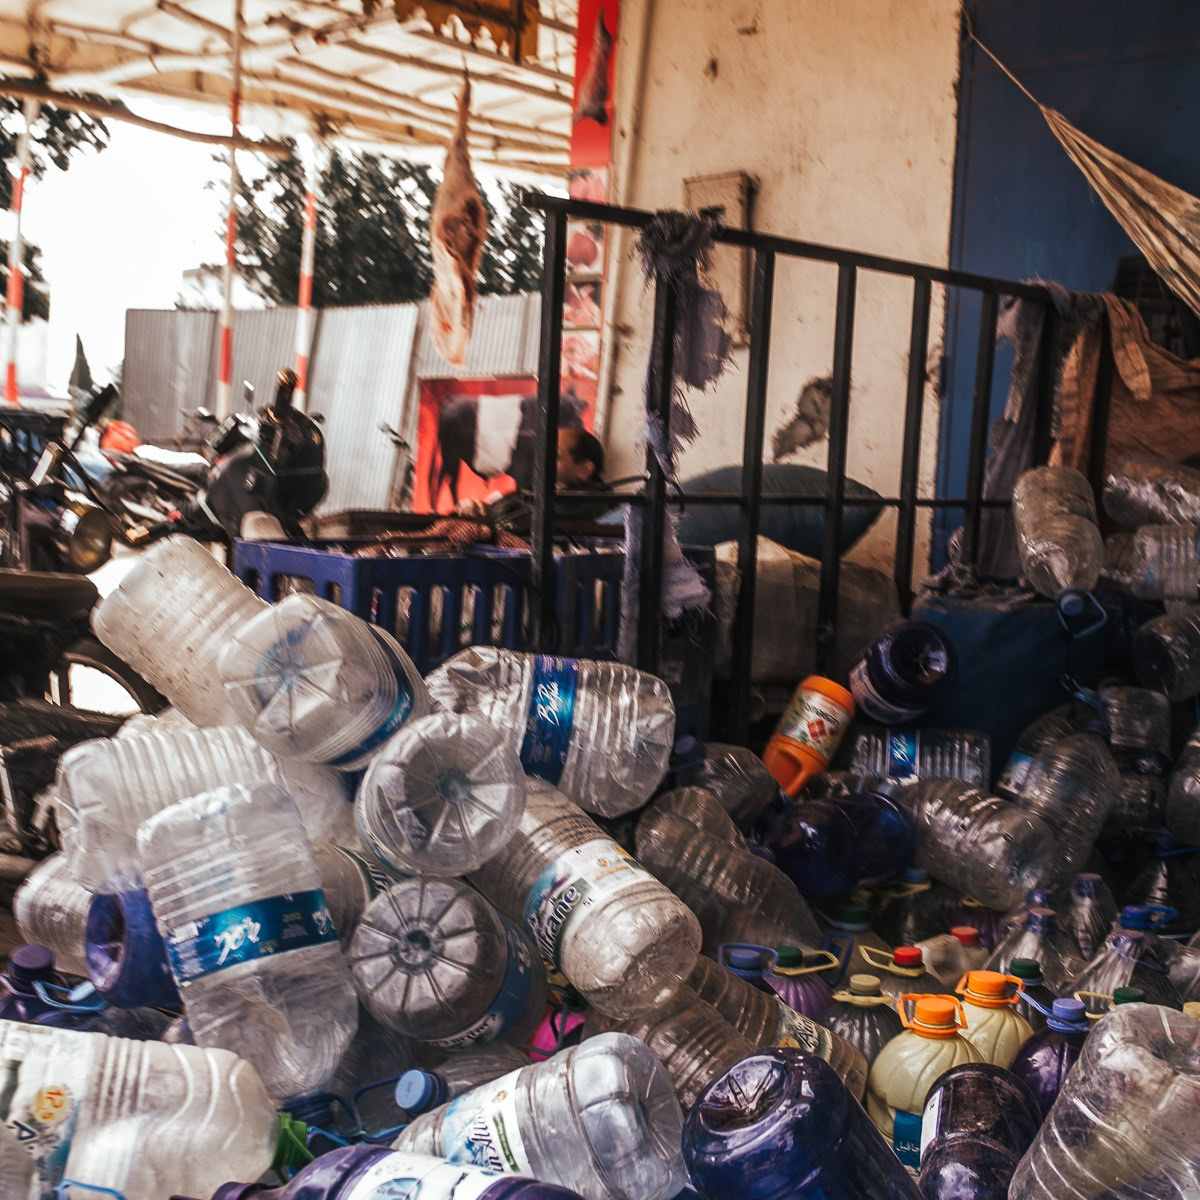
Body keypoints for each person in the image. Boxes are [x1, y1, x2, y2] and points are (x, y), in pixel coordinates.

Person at [455, 427, 612, 526]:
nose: (541, 460)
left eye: (554, 456)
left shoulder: (593, 505)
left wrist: (489, 515)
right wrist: (475, 509)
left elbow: (525, 518)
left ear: (583, 470)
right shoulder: (531, 494)